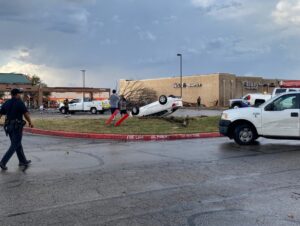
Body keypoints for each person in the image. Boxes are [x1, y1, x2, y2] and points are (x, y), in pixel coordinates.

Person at [0, 88, 34, 171]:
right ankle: (3, 162)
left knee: (17, 144)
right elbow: (25, 114)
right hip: (16, 127)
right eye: (20, 93)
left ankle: (22, 161)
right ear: (17, 94)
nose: (20, 95)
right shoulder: (19, 102)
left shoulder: (6, 102)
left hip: (9, 126)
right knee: (15, 144)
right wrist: (30, 122)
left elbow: (0, 113)